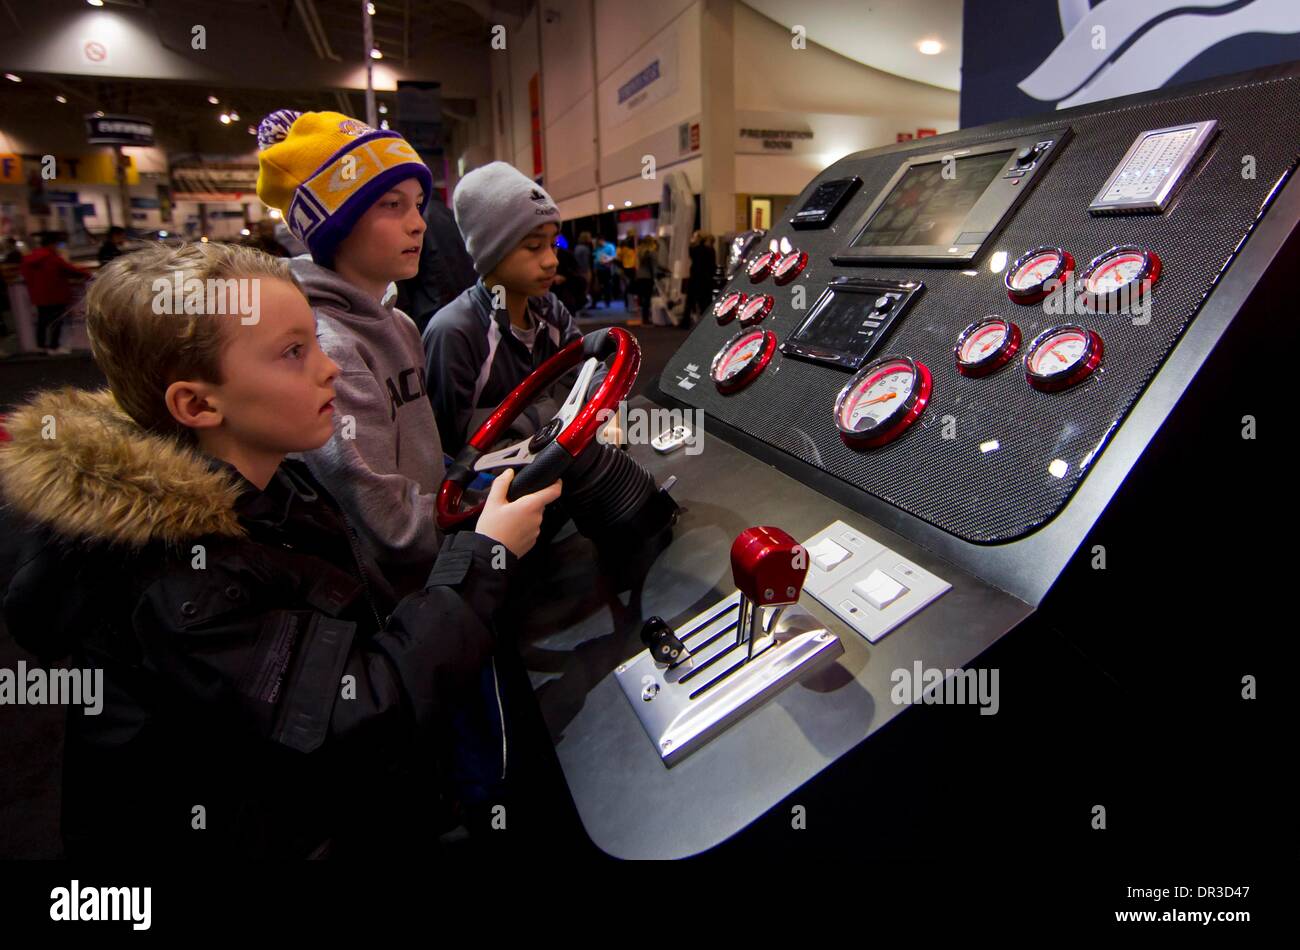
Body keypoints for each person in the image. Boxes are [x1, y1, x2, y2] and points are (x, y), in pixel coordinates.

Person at [0, 240, 559, 858]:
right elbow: (357, 713)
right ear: (196, 403)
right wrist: (482, 560)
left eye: (315, 341)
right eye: (294, 353)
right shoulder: (186, 583)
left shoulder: (269, 478)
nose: (330, 369)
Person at [255, 109, 561, 829]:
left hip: (443, 566)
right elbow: (385, 519)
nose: (417, 223)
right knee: (453, 768)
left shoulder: (395, 324)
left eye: (419, 205)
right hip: (397, 609)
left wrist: (486, 475)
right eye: (389, 206)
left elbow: (430, 455)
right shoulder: (330, 341)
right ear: (333, 225)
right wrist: (483, 532)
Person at [421, 162, 618, 458]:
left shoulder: (550, 309)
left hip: (547, 466)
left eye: (552, 245)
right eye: (534, 246)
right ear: (491, 252)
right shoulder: (455, 331)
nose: (551, 260)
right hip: (491, 492)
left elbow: (588, 368)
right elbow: (447, 446)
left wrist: (606, 409)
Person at [395, 198, 477, 333]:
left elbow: (402, 295)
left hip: (427, 322)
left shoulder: (412, 223)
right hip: (461, 315)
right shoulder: (449, 214)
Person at [19, 231, 90, 353]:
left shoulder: (28, 259)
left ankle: (40, 346)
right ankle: (54, 346)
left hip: (39, 296)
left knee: (42, 321)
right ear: (52, 244)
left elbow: (24, 275)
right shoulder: (52, 258)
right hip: (56, 294)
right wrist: (88, 274)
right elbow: (71, 270)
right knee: (56, 322)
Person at [686, 229, 717, 327]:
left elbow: (691, 254)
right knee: (706, 302)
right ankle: (706, 322)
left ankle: (686, 322)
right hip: (707, 278)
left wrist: (692, 241)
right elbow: (713, 265)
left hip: (695, 276)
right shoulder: (710, 249)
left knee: (690, 301)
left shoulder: (695, 249)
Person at [634, 235, 657, 322]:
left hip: (640, 276)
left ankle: (644, 317)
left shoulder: (640, 251)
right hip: (648, 277)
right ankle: (646, 319)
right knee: (647, 298)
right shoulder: (651, 252)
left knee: (643, 298)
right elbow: (654, 266)